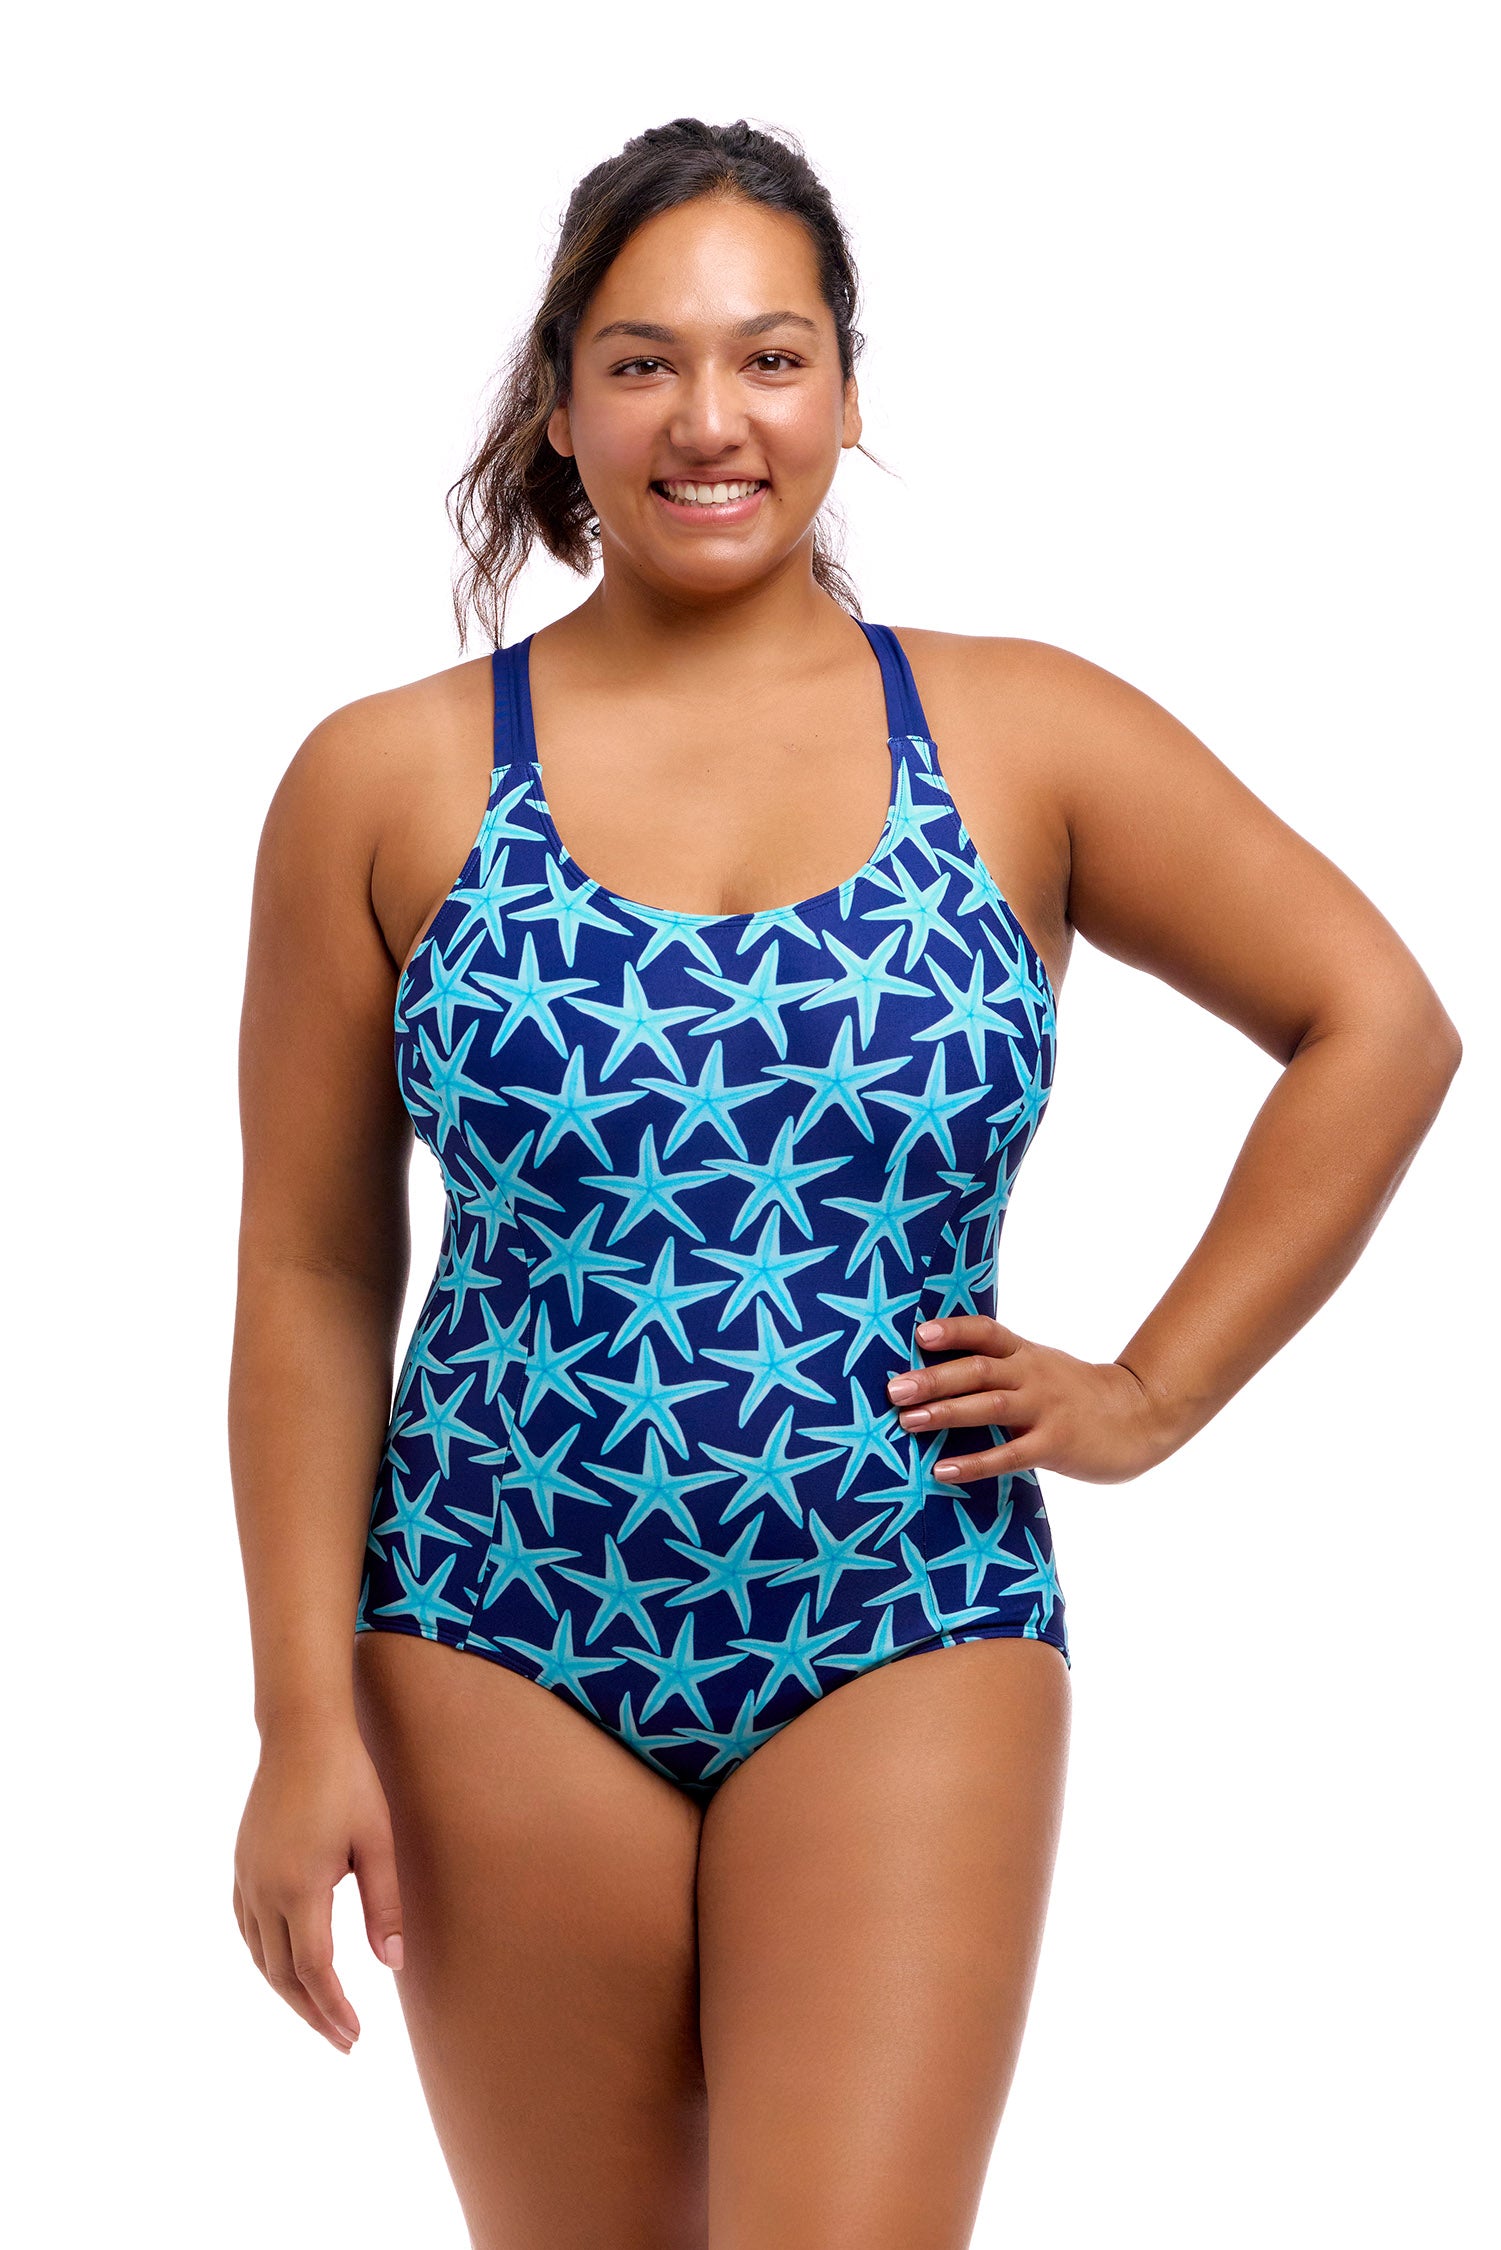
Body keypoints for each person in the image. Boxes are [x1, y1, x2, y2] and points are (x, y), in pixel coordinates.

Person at [229, 115, 1460, 2250]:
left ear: (846, 393)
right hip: (492, 1621)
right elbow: (314, 1270)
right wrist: (292, 1721)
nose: (709, 419)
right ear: (558, 404)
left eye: (769, 357)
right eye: (642, 362)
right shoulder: (385, 779)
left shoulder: (1020, 736)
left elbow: (1379, 1021)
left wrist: (1148, 1393)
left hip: (907, 1604)